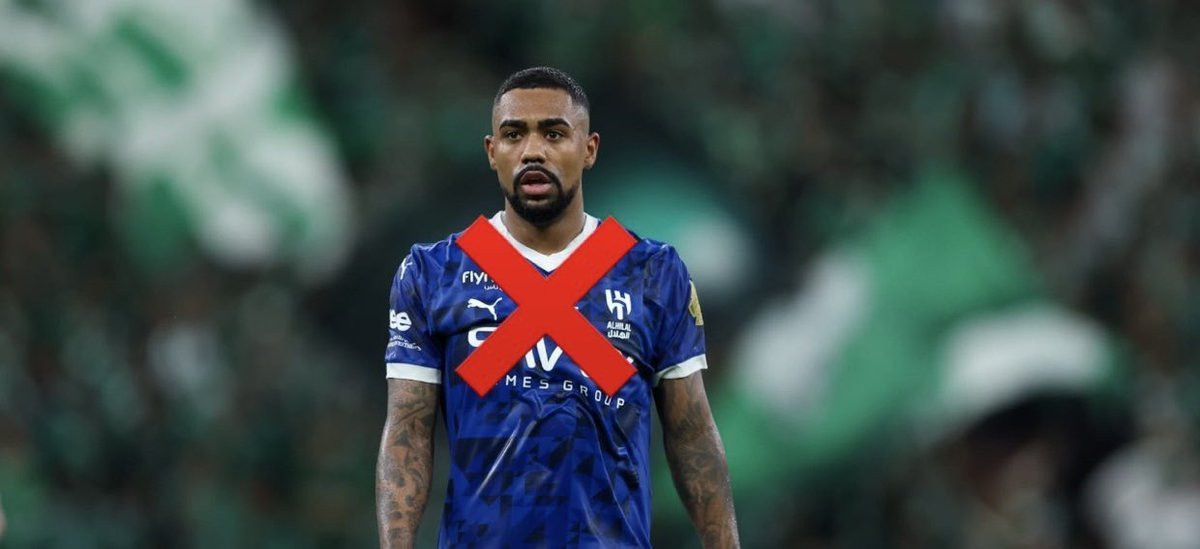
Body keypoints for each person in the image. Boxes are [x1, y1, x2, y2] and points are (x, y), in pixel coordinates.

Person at [376, 66, 740, 548]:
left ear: (589, 149)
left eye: (553, 133)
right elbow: (408, 432)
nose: (533, 151)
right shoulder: (431, 272)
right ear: (492, 152)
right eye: (514, 134)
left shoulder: (653, 271)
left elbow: (691, 435)